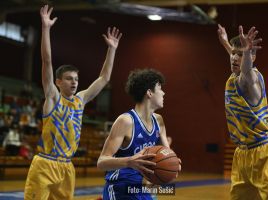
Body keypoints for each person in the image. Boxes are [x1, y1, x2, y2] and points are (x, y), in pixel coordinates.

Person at [24, 5, 122, 199]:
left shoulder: (80, 100)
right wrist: (45, 29)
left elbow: (104, 79)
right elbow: (47, 61)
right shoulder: (53, 97)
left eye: (76, 79)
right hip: (44, 164)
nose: (74, 82)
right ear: (58, 82)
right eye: (69, 78)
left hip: (67, 166)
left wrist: (111, 50)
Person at [218, 24, 268, 199]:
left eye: (241, 55)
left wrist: (246, 52)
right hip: (241, 154)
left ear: (251, 57)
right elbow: (236, 58)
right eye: (233, 53)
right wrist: (226, 42)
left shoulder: (251, 80)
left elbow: (246, 69)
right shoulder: (234, 75)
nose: (234, 58)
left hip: (263, 153)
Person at [97, 69, 179, 200]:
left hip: (141, 187)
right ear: (149, 93)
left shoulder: (159, 120)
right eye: (160, 88)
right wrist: (129, 162)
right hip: (120, 188)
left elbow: (167, 153)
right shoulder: (125, 121)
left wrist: (173, 164)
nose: (164, 93)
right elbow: (101, 162)